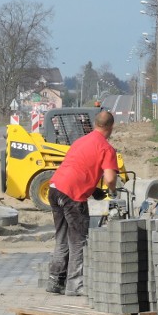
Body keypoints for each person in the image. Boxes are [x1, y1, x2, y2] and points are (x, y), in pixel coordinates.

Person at [47, 110, 118, 296]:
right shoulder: (106, 148)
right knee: (78, 240)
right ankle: (75, 286)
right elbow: (110, 178)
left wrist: (93, 189)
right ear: (111, 127)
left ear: (95, 124)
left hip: (55, 188)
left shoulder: (81, 141)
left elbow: (78, 166)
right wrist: (112, 191)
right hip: (72, 195)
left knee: (62, 237)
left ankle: (55, 281)